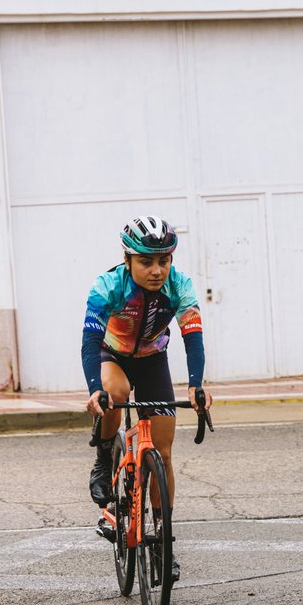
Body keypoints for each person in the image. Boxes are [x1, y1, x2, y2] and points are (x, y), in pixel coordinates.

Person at [81, 215, 212, 582]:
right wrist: (95, 389)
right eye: (146, 262)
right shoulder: (108, 285)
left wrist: (195, 385)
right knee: (116, 394)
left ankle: (163, 542)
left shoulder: (179, 285)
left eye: (164, 261)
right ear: (128, 261)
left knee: (164, 452)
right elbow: (90, 341)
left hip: (154, 360)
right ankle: (104, 454)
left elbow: (192, 337)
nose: (157, 270)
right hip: (113, 356)